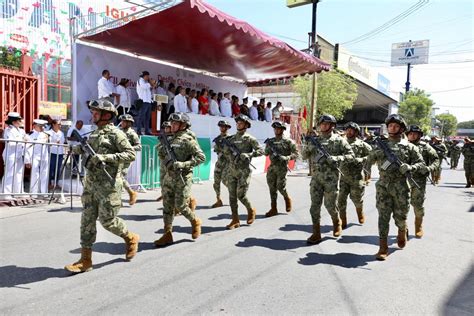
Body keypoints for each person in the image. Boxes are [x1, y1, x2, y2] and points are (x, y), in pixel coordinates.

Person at [65, 100, 139, 273]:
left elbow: (130, 154)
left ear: (107, 115)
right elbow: (85, 150)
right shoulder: (93, 133)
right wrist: (75, 149)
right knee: (87, 221)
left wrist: (106, 158)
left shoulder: (116, 134)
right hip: (91, 185)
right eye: (93, 112)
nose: (93, 115)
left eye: (96, 113)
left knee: (108, 221)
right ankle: (86, 260)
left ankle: (130, 237)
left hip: (109, 185)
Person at [367, 114, 424, 261]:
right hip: (383, 186)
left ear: (401, 129)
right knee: (383, 217)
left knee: (400, 216)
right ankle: (383, 247)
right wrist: (375, 153)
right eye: (390, 125)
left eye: (396, 126)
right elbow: (368, 161)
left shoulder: (409, 146)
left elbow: (421, 164)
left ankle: (401, 230)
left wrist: (410, 167)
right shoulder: (380, 144)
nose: (392, 128)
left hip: (401, 187)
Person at [154, 113, 205, 247]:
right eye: (172, 123)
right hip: (168, 177)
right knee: (167, 207)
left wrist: (183, 165)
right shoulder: (169, 139)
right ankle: (167, 234)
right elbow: (162, 154)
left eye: (176, 123)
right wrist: (161, 151)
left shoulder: (188, 140)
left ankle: (195, 221)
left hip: (183, 178)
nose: (173, 125)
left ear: (183, 125)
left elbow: (201, 157)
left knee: (181, 205)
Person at [302, 114, 354, 244]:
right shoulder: (315, 140)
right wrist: (308, 147)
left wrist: (337, 158)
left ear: (332, 126)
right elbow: (303, 156)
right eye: (322, 124)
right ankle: (316, 232)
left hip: (331, 179)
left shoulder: (339, 140)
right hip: (316, 179)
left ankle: (336, 222)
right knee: (314, 206)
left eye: (326, 124)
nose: (323, 126)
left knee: (330, 205)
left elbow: (351, 155)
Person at [223, 114, 264, 229]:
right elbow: (225, 152)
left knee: (241, 195)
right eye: (237, 123)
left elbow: (261, 151)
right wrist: (227, 149)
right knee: (232, 196)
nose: (238, 124)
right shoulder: (230, 139)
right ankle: (235, 220)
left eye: (241, 123)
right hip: (232, 170)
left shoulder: (250, 139)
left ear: (246, 125)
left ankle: (251, 210)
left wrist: (249, 154)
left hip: (244, 171)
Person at [336, 122, 372, 229]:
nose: (349, 131)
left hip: (357, 177)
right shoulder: (340, 143)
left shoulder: (362, 144)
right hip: (343, 177)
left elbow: (372, 156)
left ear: (356, 132)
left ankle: (360, 213)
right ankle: (343, 221)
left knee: (357, 199)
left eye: (351, 130)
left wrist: (362, 159)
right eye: (347, 129)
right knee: (341, 200)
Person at [406, 125, 439, 238]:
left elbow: (436, 160)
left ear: (420, 135)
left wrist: (429, 168)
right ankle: (403, 228)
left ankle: (418, 226)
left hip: (419, 180)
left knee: (418, 205)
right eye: (410, 133)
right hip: (402, 180)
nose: (412, 135)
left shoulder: (426, 147)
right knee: (402, 205)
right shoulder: (403, 145)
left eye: (415, 133)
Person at [264, 121, 298, 217]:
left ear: (283, 130)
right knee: (272, 188)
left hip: (282, 167)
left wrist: (287, 157)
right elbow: (266, 153)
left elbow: (296, 154)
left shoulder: (288, 141)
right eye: (275, 128)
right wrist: (268, 148)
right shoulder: (270, 141)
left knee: (280, 187)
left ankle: (287, 198)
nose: (276, 130)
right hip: (272, 167)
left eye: (278, 128)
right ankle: (273, 208)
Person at [1, 112, 27, 199]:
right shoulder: (8, 130)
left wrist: (24, 139)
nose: (20, 121)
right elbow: (11, 142)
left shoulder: (21, 130)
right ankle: (5, 193)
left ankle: (18, 191)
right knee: (10, 174)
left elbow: (27, 139)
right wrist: (22, 140)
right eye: (19, 120)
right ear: (13, 122)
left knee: (19, 173)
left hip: (19, 154)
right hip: (10, 155)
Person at [119, 114, 141, 205]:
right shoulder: (119, 132)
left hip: (127, 158)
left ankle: (131, 192)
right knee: (116, 176)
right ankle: (128, 193)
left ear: (129, 123)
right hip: (119, 156)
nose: (122, 123)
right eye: (122, 121)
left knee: (119, 176)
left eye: (124, 122)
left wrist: (129, 148)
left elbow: (139, 146)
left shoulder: (132, 134)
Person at [25, 119, 50, 197]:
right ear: (35, 126)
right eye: (40, 126)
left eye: (43, 126)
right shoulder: (30, 135)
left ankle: (44, 192)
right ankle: (34, 193)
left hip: (44, 156)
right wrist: (27, 160)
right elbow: (27, 148)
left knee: (45, 174)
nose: (42, 128)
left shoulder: (45, 134)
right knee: (35, 175)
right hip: (35, 156)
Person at [211, 120, 231, 208]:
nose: (222, 128)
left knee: (225, 181)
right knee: (216, 182)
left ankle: (233, 196)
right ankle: (218, 200)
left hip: (228, 162)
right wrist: (219, 150)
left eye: (224, 127)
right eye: (221, 126)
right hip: (219, 162)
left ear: (227, 128)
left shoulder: (231, 138)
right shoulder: (218, 139)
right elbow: (215, 149)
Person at [48, 120, 65, 190]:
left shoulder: (61, 133)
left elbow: (62, 142)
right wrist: (55, 142)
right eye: (58, 124)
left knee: (58, 169)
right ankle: (49, 184)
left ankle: (56, 183)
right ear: (53, 124)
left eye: (60, 124)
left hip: (60, 153)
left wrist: (55, 142)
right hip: (52, 153)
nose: (60, 126)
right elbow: (49, 142)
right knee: (50, 169)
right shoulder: (49, 132)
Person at [157, 121, 172, 202]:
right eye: (165, 128)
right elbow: (159, 148)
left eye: (168, 128)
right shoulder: (163, 137)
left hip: (171, 162)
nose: (166, 129)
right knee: (162, 179)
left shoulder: (174, 137)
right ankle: (163, 194)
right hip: (164, 162)